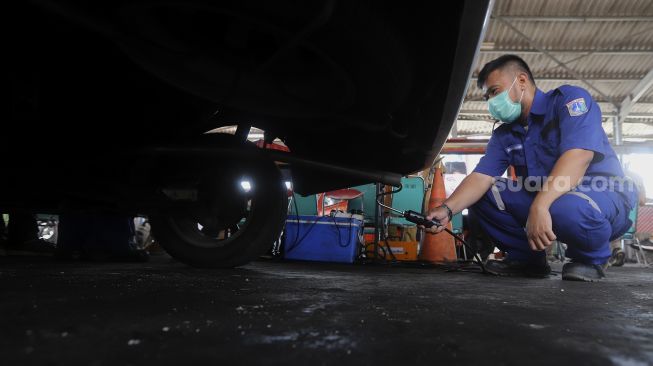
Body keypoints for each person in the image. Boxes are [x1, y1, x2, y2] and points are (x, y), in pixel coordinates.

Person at [425, 55, 638, 282]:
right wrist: (447, 210)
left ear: (522, 81)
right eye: (488, 97)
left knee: (563, 207)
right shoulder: (505, 134)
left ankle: (590, 259)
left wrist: (540, 205)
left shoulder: (569, 101)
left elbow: (579, 156)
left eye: (496, 91)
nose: (492, 102)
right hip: (547, 198)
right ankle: (526, 259)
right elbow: (481, 177)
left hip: (601, 196)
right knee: (483, 194)